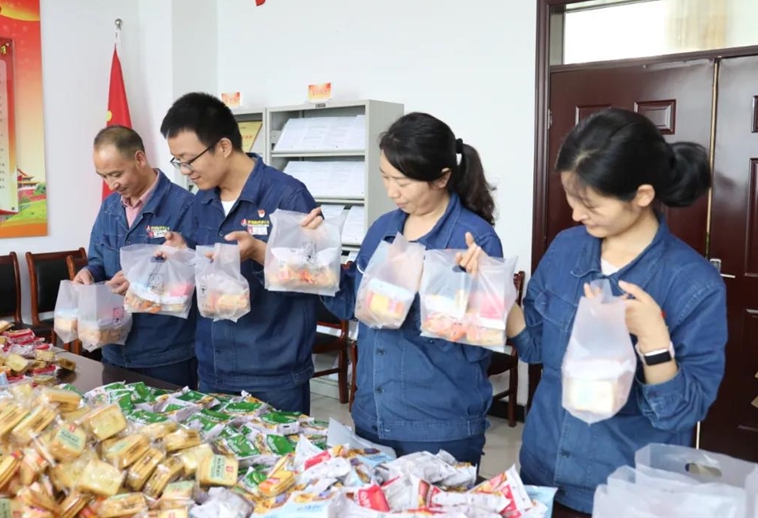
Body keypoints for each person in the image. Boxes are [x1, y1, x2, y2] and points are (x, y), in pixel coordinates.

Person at [504, 108, 727, 513]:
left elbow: (682, 413)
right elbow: (535, 346)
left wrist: (654, 340)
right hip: (540, 473)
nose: (576, 214)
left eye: (589, 203)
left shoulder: (694, 284)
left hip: (624, 492)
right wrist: (495, 293)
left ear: (642, 196)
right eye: (571, 197)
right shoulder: (566, 248)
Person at [303, 112, 503, 465]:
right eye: (385, 177)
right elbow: (351, 305)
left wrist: (432, 295)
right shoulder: (383, 229)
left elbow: (480, 341)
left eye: (403, 182)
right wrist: (319, 258)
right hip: (373, 413)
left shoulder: (474, 239)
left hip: (439, 424)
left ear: (442, 178)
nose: (391, 191)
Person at [159, 92, 318, 415]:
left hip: (272, 373)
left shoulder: (287, 196)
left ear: (223, 146)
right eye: (178, 161)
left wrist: (260, 253)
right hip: (213, 366)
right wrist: (183, 252)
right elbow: (203, 270)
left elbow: (315, 279)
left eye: (189, 159)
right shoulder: (202, 201)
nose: (185, 170)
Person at [75, 125, 198, 388]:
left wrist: (142, 283)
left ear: (140, 159)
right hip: (113, 345)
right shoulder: (110, 207)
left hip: (165, 354)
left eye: (116, 174)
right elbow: (97, 260)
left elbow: (194, 277)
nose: (111, 185)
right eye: (103, 176)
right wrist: (89, 273)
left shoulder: (185, 206)